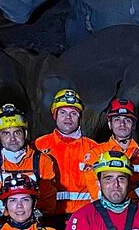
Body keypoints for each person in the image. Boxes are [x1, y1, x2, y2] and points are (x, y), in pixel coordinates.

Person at [0, 104, 58, 217]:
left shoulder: (42, 161)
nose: (12, 138)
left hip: (35, 225)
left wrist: (26, 220)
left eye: (17, 132)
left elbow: (47, 202)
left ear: (25, 134)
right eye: (6, 133)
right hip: (1, 225)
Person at [82, 98, 139, 208]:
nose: (122, 124)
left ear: (134, 125)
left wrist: (122, 202)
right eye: (117, 119)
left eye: (127, 120)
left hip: (136, 213)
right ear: (110, 124)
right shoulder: (95, 153)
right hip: (104, 215)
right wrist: (134, 187)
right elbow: (94, 189)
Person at [33, 88, 95, 217]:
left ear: (80, 117)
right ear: (55, 116)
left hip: (84, 216)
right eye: (62, 112)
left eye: (73, 113)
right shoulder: (38, 146)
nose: (68, 117)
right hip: (47, 216)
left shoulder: (94, 148)